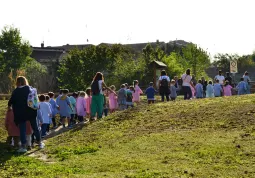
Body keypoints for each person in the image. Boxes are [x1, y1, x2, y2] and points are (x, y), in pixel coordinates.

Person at [8, 76, 44, 153]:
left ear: (17, 82)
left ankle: (23, 146)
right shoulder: (29, 88)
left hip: (20, 113)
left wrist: (10, 108)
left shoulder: (15, 91)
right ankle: (40, 143)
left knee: (22, 130)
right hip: (31, 111)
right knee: (35, 127)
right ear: (25, 81)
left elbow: (10, 102)